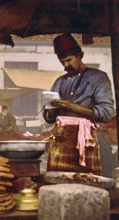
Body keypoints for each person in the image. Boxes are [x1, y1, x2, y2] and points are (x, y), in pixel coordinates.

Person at [43, 33, 115, 177]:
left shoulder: (98, 78)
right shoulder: (60, 82)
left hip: (88, 141)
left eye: (69, 60)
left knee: (89, 181)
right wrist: (51, 110)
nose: (66, 65)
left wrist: (72, 107)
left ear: (80, 55)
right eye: (62, 62)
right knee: (60, 181)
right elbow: (47, 116)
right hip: (61, 142)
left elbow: (107, 113)